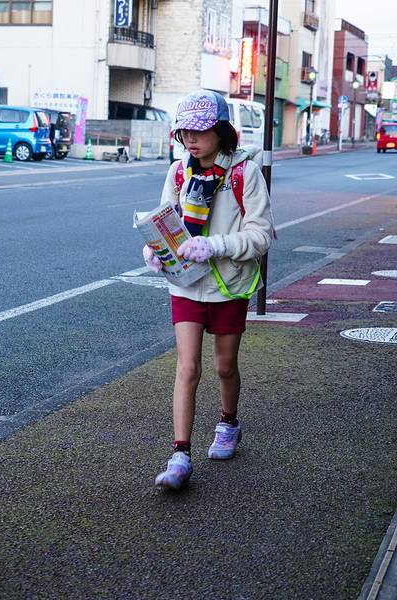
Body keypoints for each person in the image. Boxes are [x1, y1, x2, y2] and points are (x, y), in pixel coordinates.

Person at [142, 90, 274, 490]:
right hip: (185, 284)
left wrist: (215, 245)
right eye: (185, 132)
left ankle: (229, 422)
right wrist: (155, 249)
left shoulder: (244, 173)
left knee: (224, 366)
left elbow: (262, 234)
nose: (191, 140)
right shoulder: (178, 172)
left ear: (221, 131)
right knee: (187, 367)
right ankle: (180, 454)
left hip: (229, 285)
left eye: (199, 131)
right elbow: (165, 220)